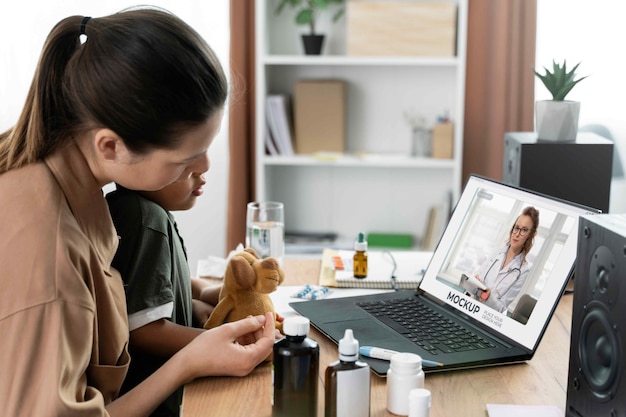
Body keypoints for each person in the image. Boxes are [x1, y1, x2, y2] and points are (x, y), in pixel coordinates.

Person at [0, 8, 274, 417]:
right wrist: (191, 360)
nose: (204, 168)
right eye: (187, 158)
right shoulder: (48, 254)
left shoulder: (54, 174)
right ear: (111, 146)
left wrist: (205, 297)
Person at [473, 206, 540, 313]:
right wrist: (474, 283)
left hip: (486, 318)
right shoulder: (496, 253)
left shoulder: (523, 270)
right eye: (516, 227)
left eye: (524, 230)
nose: (517, 234)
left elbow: (502, 308)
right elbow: (477, 279)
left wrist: (489, 298)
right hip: (471, 306)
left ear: (530, 235)